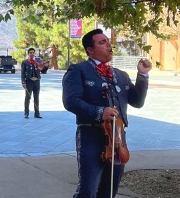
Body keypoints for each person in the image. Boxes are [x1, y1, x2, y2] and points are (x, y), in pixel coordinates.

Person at [62, 29, 151, 198]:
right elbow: (71, 101)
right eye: (102, 42)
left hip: (118, 139)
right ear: (90, 50)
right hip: (91, 135)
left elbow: (137, 102)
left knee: (110, 190)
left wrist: (143, 75)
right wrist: (100, 111)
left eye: (108, 41)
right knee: (87, 190)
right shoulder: (78, 70)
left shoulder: (120, 75)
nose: (109, 44)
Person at [21, 48, 42, 119]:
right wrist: (23, 82)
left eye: (33, 52)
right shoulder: (25, 62)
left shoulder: (37, 62)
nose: (32, 54)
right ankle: (26, 113)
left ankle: (37, 113)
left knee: (36, 98)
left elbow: (42, 71)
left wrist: (45, 67)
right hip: (29, 81)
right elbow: (23, 73)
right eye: (30, 53)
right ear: (28, 54)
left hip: (36, 81)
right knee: (28, 97)